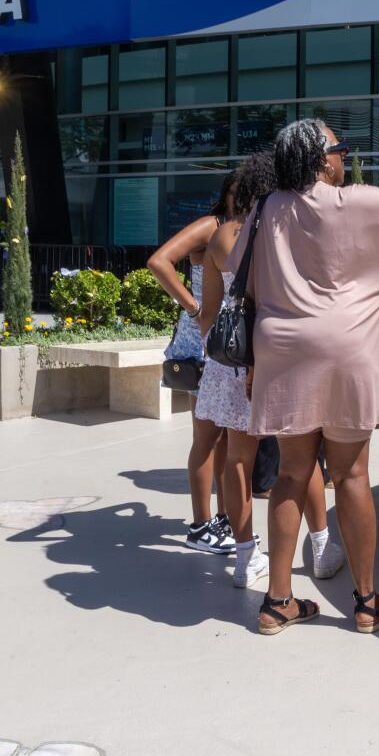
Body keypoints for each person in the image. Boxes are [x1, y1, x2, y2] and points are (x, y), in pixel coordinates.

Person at [244, 118, 379, 635]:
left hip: (283, 351)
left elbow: (242, 275)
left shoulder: (267, 207)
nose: (343, 157)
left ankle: (277, 603)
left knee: (292, 474)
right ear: (322, 160)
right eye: (339, 149)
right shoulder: (363, 200)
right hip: (347, 350)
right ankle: (365, 602)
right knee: (352, 474)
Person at [199, 151, 344, 590]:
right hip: (280, 359)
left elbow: (207, 313)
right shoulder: (286, 232)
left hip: (233, 362)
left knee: (238, 459)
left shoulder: (224, 236)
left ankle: (246, 559)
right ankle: (320, 548)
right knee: (300, 460)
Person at [148, 174, 236, 555]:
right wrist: (195, 307)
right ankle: (201, 526)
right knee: (207, 438)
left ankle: (220, 519)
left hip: (225, 342)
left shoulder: (238, 229)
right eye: (241, 192)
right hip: (202, 343)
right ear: (228, 194)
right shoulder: (211, 226)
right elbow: (159, 261)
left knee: (225, 440)